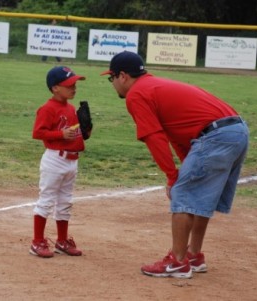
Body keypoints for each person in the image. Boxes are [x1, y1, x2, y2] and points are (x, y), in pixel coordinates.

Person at [101, 51, 249, 278]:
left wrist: (172, 177)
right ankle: (193, 256)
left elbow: (154, 137)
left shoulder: (137, 94)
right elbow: (180, 138)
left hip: (216, 136)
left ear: (122, 76)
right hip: (235, 131)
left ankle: (178, 262)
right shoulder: (155, 86)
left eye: (111, 78)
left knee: (183, 193)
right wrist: (179, 170)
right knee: (201, 195)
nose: (113, 84)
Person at [29, 66, 88, 258]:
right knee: (46, 200)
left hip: (72, 161)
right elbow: (38, 133)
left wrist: (86, 132)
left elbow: (76, 135)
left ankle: (62, 241)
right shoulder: (47, 108)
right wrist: (60, 134)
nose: (74, 88)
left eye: (75, 84)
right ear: (55, 88)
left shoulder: (71, 108)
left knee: (65, 202)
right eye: (69, 85)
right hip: (55, 159)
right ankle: (37, 242)